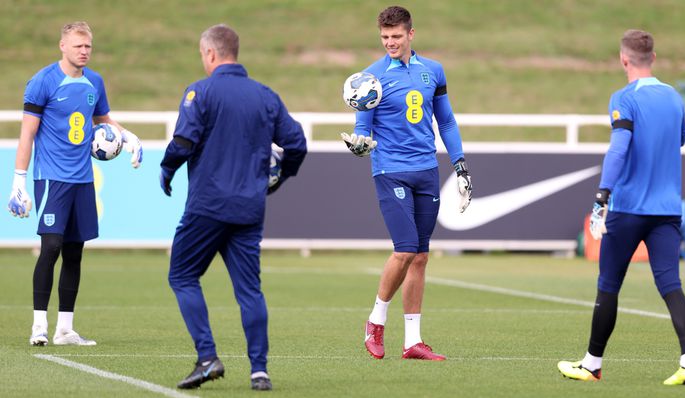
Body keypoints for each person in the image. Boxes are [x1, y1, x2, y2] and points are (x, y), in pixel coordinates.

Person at [159, 24, 307, 391]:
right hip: (249, 208)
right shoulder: (265, 95)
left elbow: (183, 140)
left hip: (207, 206)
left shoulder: (201, 92)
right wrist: (281, 176)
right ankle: (260, 370)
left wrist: (166, 169)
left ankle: (207, 356)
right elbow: (297, 143)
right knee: (249, 291)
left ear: (210, 54)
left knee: (182, 275)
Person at [558, 29, 685, 386]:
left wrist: (602, 196)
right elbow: (680, 139)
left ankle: (592, 364)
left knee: (608, 284)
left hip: (630, 207)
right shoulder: (674, 98)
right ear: (653, 57)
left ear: (624, 59)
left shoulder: (624, 97)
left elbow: (619, 148)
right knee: (670, 283)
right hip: (667, 209)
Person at [343, 5, 472, 361]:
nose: (390, 43)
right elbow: (362, 129)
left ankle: (412, 341)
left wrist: (459, 165)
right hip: (391, 170)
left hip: (426, 170)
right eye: (384, 37)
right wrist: (358, 145)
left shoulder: (434, 70)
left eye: (396, 36)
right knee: (405, 249)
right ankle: (375, 321)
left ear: (411, 34)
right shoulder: (370, 78)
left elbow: (446, 122)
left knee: (420, 258)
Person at [7, 21, 143, 347]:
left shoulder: (95, 82)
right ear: (63, 46)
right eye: (78, 46)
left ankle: (65, 329)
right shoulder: (42, 82)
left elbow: (103, 121)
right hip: (52, 178)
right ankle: (39, 324)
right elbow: (27, 133)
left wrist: (128, 136)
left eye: (88, 47)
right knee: (51, 246)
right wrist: (18, 182)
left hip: (83, 179)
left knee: (74, 252)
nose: (84, 51)